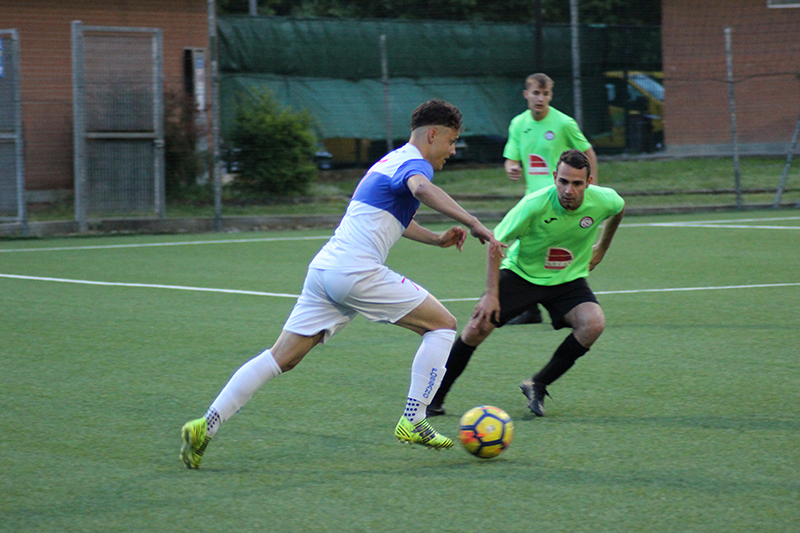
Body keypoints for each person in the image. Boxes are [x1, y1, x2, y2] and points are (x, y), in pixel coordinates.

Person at [179, 99, 503, 469]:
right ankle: (414, 418)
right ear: (433, 135)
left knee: (280, 358)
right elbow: (421, 189)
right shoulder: (416, 165)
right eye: (452, 141)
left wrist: (435, 238)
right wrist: (474, 222)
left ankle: (206, 425)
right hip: (355, 272)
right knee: (443, 325)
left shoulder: (389, 161)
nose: (453, 150)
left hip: (326, 270)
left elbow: (389, 217)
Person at [426, 149, 624, 418]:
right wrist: (491, 294)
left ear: (589, 183)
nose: (569, 190)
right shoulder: (534, 204)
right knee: (476, 328)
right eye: (563, 181)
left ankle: (537, 384)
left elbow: (619, 208)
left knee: (594, 323)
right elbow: (495, 243)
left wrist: (602, 247)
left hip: (567, 279)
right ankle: (434, 399)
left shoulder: (603, 200)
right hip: (521, 275)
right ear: (554, 177)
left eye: (577, 183)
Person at [503, 72, 600, 325]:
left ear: (551, 96)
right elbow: (511, 157)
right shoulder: (518, 124)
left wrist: (591, 186)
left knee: (552, 250)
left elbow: (587, 152)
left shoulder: (564, 123)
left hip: (559, 201)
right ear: (526, 94)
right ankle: (534, 309)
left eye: (545, 94)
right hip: (533, 202)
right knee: (524, 250)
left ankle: (566, 306)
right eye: (536, 93)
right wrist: (512, 167)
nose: (540, 98)